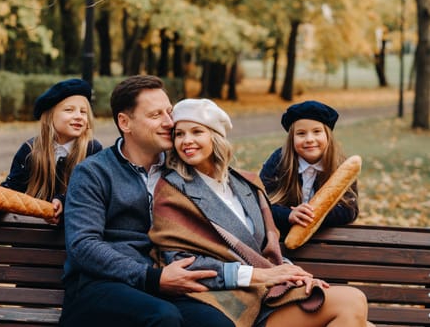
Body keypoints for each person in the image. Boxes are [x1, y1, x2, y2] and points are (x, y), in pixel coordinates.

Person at [149, 98, 373, 327]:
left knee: (356, 310)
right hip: (226, 302)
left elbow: (267, 247)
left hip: (269, 295)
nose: (187, 141)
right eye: (179, 134)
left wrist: (294, 272)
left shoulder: (246, 184)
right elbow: (180, 263)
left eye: (197, 132)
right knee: (352, 304)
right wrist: (258, 275)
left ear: (215, 136)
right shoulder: (172, 190)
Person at [59, 75, 219, 327]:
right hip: (100, 286)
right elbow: (83, 245)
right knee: (163, 317)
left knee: (215, 323)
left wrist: (283, 216)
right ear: (125, 122)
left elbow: (230, 197)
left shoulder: (180, 169)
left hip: (162, 283)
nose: (169, 122)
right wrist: (151, 277)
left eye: (170, 112)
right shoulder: (94, 172)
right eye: (156, 115)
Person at [0, 78, 102, 224]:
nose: (78, 116)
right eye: (69, 110)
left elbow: (91, 194)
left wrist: (64, 201)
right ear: (49, 116)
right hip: (32, 234)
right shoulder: (30, 151)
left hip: (75, 236)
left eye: (83, 112)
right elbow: (11, 193)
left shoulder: (92, 150)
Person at [259, 100, 359, 236]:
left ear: (328, 135)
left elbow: (350, 210)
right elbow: (259, 203)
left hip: (328, 240)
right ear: (291, 138)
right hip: (281, 238)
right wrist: (289, 215)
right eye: (301, 133)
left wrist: (312, 215)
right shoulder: (279, 161)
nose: (309, 139)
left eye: (317, 131)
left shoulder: (341, 165)